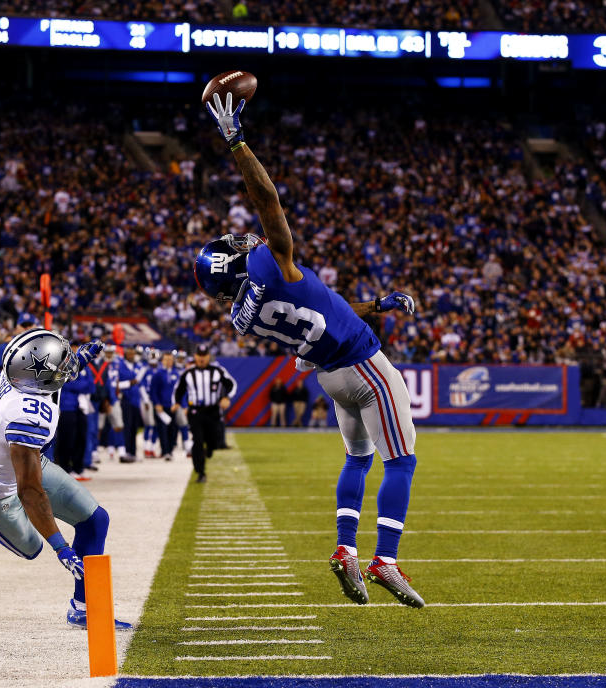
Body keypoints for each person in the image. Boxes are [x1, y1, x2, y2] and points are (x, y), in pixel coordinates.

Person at [199, 93, 423, 608]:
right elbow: (268, 199)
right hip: (365, 367)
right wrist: (236, 140)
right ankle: (384, 559)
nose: (240, 241)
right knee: (402, 462)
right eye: (232, 248)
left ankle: (345, 548)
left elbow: (327, 309)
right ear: (236, 267)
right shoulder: (272, 262)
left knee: (358, 458)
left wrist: (379, 304)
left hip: (329, 375)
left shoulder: (243, 311)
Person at [0, 329, 131, 630]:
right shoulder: (27, 415)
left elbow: (49, 374)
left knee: (95, 520)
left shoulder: (18, 374)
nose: (67, 367)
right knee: (32, 548)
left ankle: (82, 608)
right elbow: (30, 491)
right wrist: (61, 547)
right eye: (61, 364)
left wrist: (77, 358)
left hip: (23, 463)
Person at [173, 344, 236, 483]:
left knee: (213, 441)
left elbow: (231, 384)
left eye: (204, 356)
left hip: (213, 411)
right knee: (198, 440)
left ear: (208, 356)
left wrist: (226, 397)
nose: (201, 359)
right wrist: (177, 403)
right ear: (195, 356)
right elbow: (179, 389)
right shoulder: (188, 373)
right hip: (195, 411)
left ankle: (209, 450)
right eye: (199, 356)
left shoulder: (218, 371)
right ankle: (200, 471)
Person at [57, 342, 95, 480]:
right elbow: (65, 384)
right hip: (67, 407)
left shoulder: (86, 368)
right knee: (67, 439)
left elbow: (91, 387)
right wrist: (79, 385)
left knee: (81, 438)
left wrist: (76, 385)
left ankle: (78, 468)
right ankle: (65, 469)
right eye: (73, 348)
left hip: (82, 407)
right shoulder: (62, 365)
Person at [150, 350, 180, 461]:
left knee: (173, 429)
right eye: (166, 360)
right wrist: (157, 403)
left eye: (170, 360)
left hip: (172, 406)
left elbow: (180, 391)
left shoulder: (176, 374)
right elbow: (153, 391)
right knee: (162, 430)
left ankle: (170, 449)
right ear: (162, 361)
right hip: (161, 406)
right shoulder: (158, 374)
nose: (168, 362)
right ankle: (166, 451)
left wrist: (178, 403)